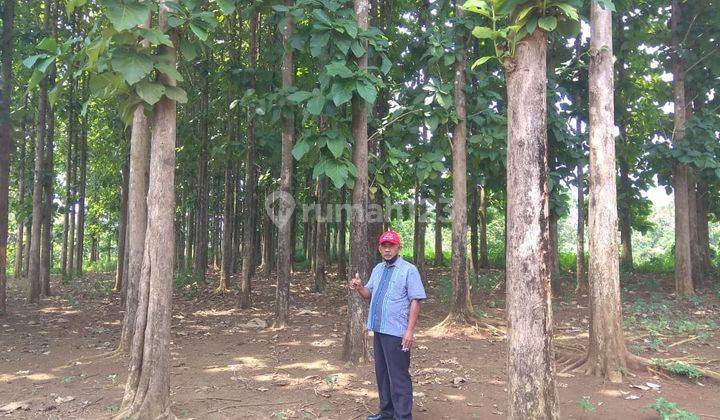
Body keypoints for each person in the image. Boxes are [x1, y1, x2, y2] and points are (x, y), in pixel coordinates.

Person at [349, 230, 426, 420]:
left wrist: (409, 331)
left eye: (391, 246)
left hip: (397, 333)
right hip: (379, 330)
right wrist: (359, 288)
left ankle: (402, 416)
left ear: (399, 247)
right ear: (379, 248)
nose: (387, 249)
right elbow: (369, 295)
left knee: (398, 377)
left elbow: (416, 300)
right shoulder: (378, 269)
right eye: (384, 246)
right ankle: (387, 413)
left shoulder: (409, 270)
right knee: (382, 375)